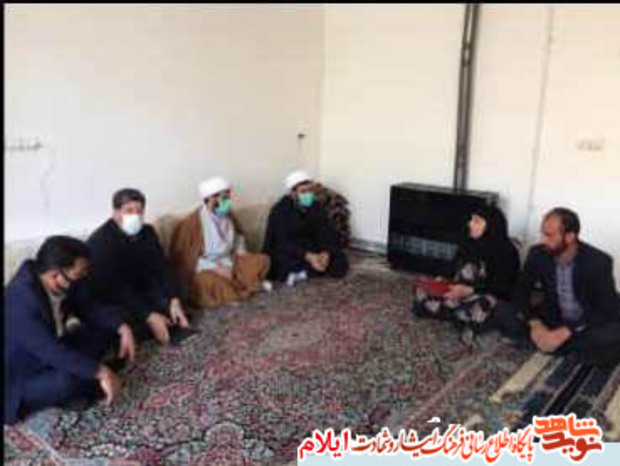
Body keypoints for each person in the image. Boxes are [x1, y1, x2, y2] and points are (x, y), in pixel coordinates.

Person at [5, 236, 134, 425]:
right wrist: (101, 372)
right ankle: (83, 388)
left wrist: (122, 327)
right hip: (22, 377)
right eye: (80, 273)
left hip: (56, 347)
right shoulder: (20, 301)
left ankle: (82, 387)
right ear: (55, 274)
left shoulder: (62, 281)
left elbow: (88, 307)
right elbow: (51, 352)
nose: (84, 276)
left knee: (107, 328)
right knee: (67, 380)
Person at [502, 207, 620, 365]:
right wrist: (535, 324)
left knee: (613, 334)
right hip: (554, 317)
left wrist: (567, 331)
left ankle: (561, 346)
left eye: (549, 235)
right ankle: (566, 348)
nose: (543, 240)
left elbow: (606, 309)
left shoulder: (598, 262)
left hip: (585, 323)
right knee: (503, 310)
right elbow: (520, 292)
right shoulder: (537, 254)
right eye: (542, 234)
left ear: (570, 237)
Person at [87, 188, 190, 346]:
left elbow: (162, 266)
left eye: (139, 211)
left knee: (178, 292)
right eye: (129, 211)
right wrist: (149, 315)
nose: (135, 216)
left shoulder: (148, 232)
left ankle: (163, 319)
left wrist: (174, 300)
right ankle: (153, 324)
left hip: (145, 289)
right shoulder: (100, 242)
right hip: (118, 297)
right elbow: (115, 288)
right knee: (121, 319)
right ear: (115, 213)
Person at [411, 204, 521, 347]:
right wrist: (443, 280)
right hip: (459, 291)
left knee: (485, 303)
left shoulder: (507, 251)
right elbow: (452, 268)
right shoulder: (468, 242)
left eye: (476, 221)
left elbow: (503, 288)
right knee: (422, 286)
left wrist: (470, 290)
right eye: (471, 219)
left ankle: (461, 316)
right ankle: (458, 315)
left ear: (491, 226)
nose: (470, 224)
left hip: (485, 295)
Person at [169, 176, 271, 308]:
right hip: (207, 268)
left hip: (230, 260)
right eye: (222, 198)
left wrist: (241, 253)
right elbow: (188, 259)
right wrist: (216, 269)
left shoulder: (229, 215)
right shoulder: (192, 223)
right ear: (209, 200)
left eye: (227, 197)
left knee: (261, 260)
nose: (226, 202)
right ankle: (239, 289)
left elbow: (238, 239)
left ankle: (241, 285)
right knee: (206, 282)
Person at [263, 169, 349, 286]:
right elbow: (282, 242)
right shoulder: (280, 210)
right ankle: (305, 272)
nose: (308, 195)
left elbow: (326, 231)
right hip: (290, 250)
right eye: (303, 191)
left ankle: (303, 273)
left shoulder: (315, 206)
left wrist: (326, 253)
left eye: (310, 190)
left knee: (340, 260)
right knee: (278, 263)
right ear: (292, 193)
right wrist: (309, 256)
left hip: (311, 247)